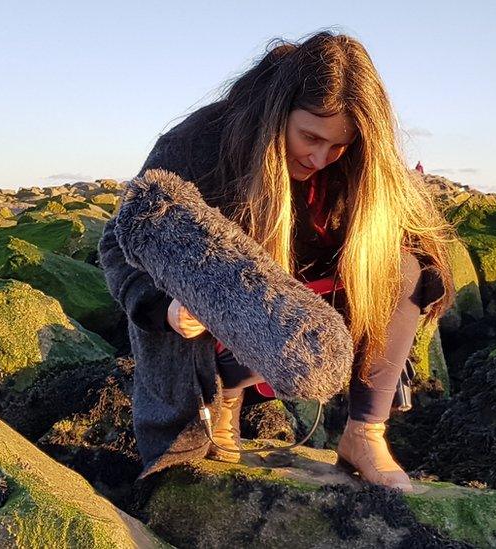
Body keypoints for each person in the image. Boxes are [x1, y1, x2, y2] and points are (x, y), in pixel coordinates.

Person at [100, 30, 455, 492]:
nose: (320, 157)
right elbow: (125, 235)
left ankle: (364, 433)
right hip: (229, 307)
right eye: (309, 136)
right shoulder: (201, 143)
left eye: (338, 145)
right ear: (279, 110)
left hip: (307, 302)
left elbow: (425, 259)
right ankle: (223, 394)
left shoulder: (360, 160)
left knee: (408, 268)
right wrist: (160, 307)